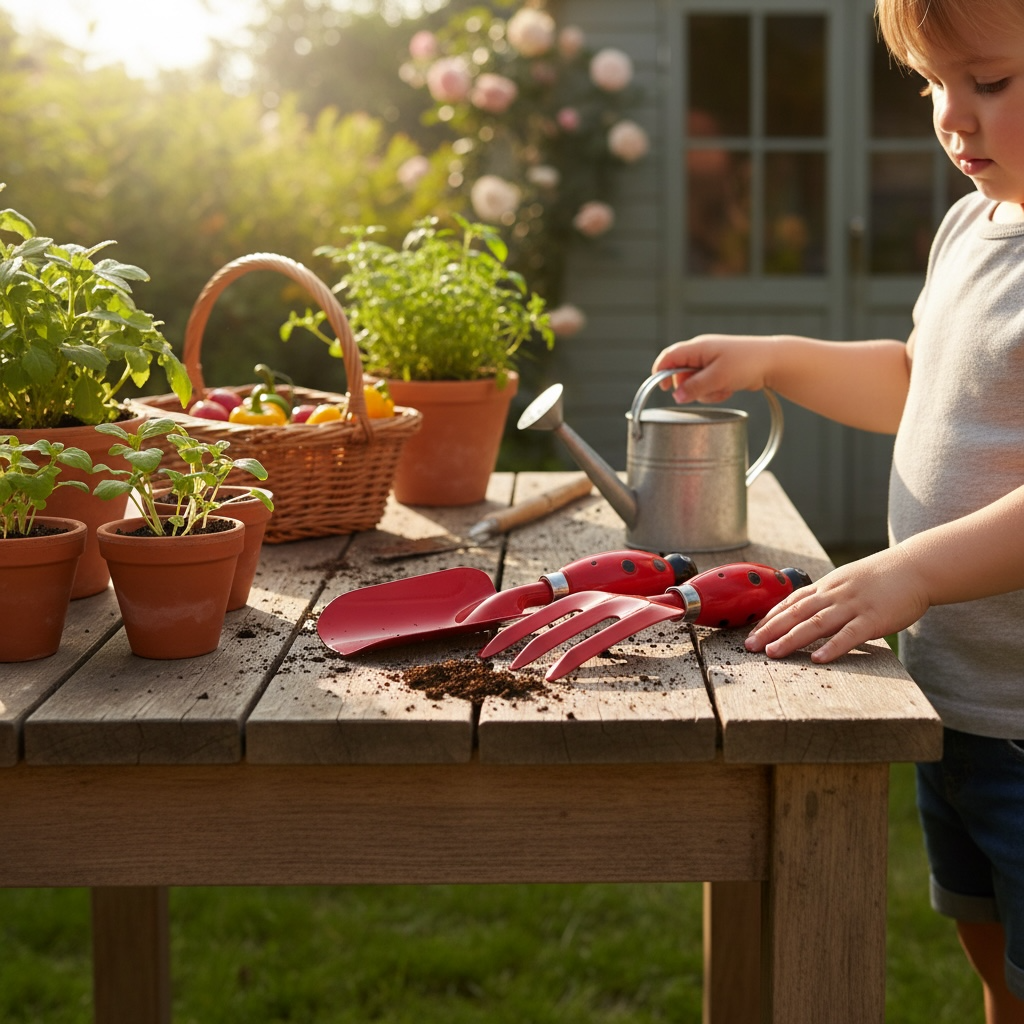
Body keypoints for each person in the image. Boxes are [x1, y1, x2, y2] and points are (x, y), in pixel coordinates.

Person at [652, 0, 1024, 1019]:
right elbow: (918, 380)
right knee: (992, 962)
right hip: (956, 708)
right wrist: (774, 358)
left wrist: (907, 571)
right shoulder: (971, 225)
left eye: (987, 83)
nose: (952, 118)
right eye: (930, 86)